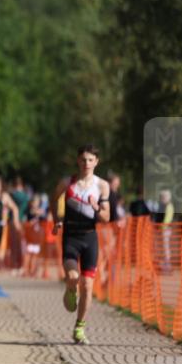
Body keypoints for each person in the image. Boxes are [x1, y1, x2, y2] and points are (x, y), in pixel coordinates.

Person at [51, 144, 111, 345]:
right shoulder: (67, 183)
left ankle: (79, 327)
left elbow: (106, 217)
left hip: (89, 238)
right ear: (78, 161)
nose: (86, 163)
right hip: (71, 237)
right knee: (73, 277)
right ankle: (70, 289)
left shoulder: (102, 186)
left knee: (87, 285)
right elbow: (54, 199)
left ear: (96, 162)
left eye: (90, 160)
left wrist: (96, 207)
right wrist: (56, 219)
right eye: (83, 159)